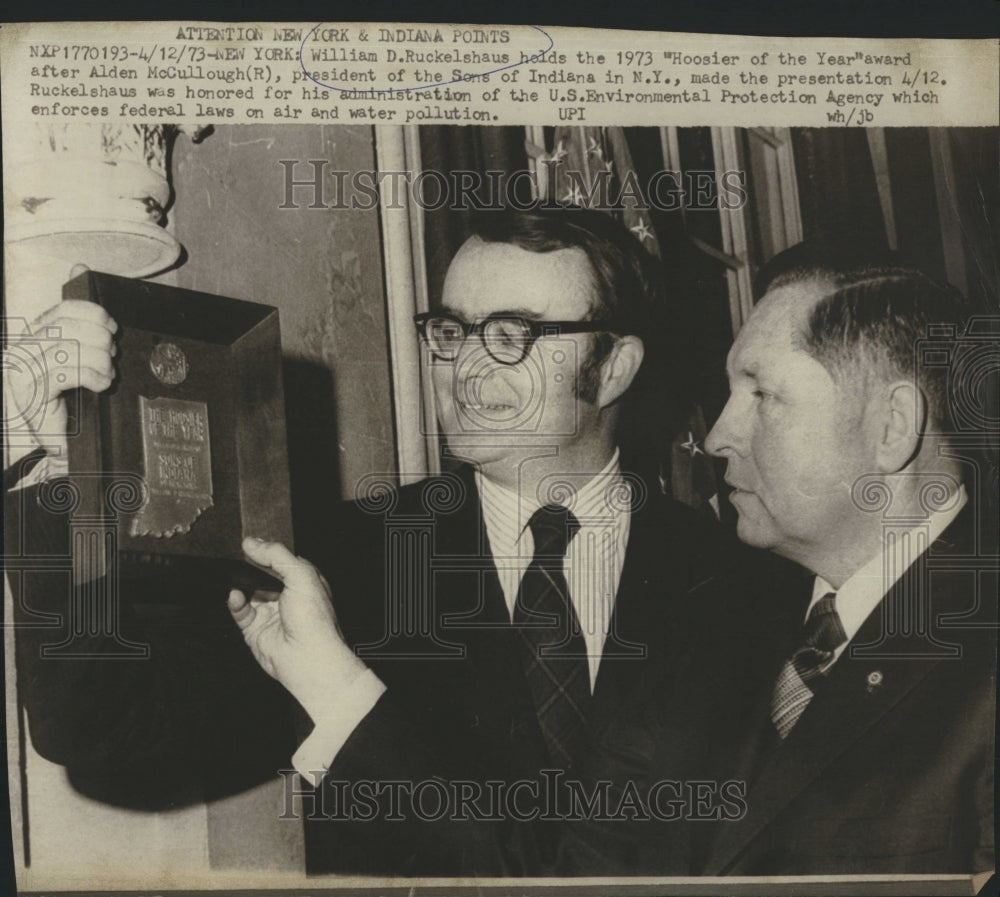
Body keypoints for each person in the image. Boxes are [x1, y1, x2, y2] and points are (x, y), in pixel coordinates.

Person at [5, 207, 757, 875]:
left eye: (511, 334)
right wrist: (70, 469)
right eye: (451, 330)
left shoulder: (740, 581)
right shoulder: (335, 558)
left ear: (616, 366)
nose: (463, 368)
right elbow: (99, 724)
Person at [227, 243, 996, 876]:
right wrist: (331, 681)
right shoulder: (723, 634)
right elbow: (552, 876)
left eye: (761, 394)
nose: (720, 434)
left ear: (892, 426)